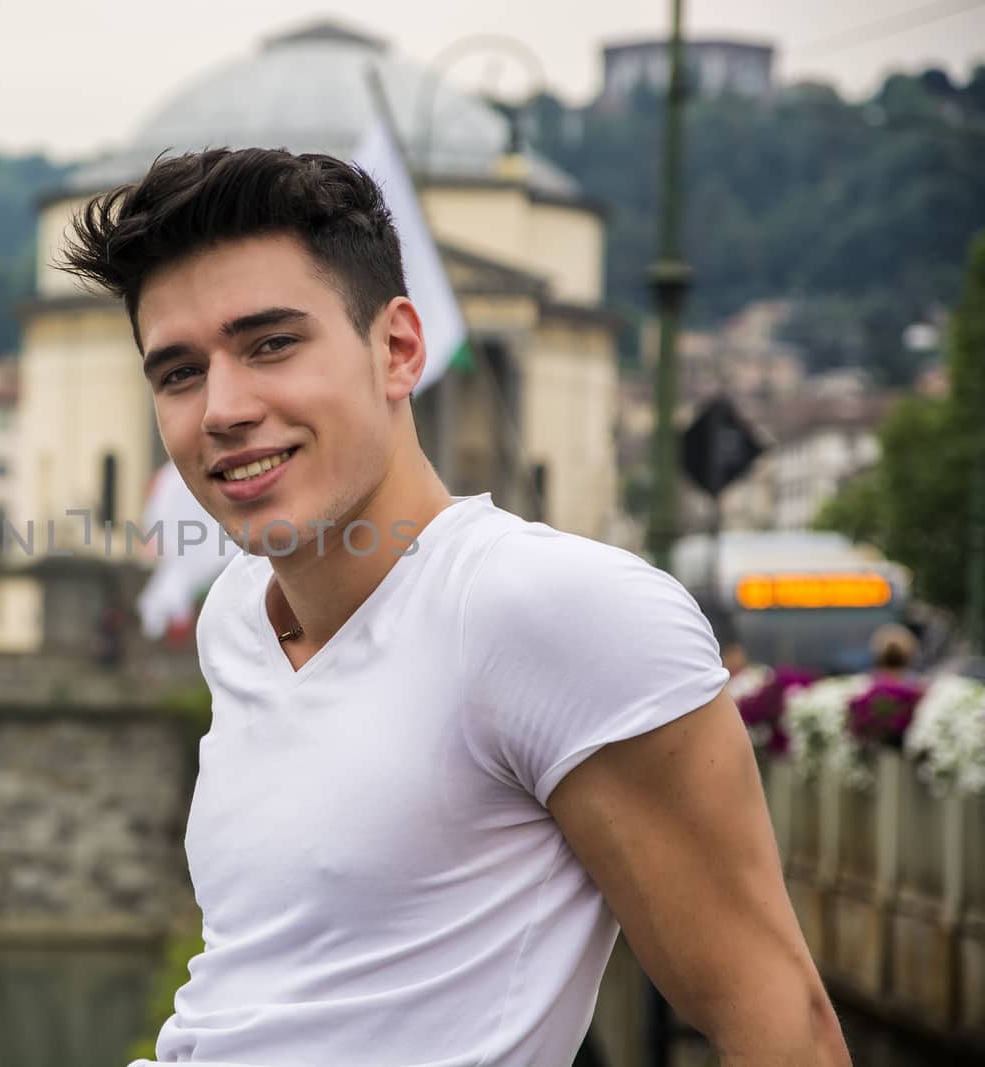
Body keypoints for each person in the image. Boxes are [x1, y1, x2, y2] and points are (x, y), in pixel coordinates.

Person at [57, 148, 850, 1066]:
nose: (222, 408)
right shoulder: (239, 611)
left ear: (398, 348)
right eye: (179, 373)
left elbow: (782, 1023)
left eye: (271, 343)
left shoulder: (550, 609)